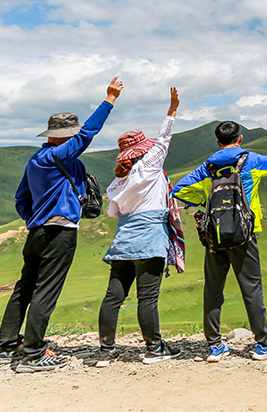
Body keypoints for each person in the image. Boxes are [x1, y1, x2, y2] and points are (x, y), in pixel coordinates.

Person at [0, 76, 124, 372]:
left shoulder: (36, 159)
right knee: (46, 289)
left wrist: (34, 219)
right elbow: (89, 133)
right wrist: (110, 99)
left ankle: (8, 345)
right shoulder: (59, 154)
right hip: (59, 231)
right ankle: (34, 352)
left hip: (37, 231)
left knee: (25, 287)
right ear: (67, 135)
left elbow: (20, 199)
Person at [172, 114, 267, 362]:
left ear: (218, 142)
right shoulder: (251, 160)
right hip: (245, 234)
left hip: (215, 235)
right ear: (239, 139)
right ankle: (264, 345)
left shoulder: (207, 166)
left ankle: (214, 346)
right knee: (252, 289)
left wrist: (205, 200)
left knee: (213, 289)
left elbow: (178, 190)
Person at [95, 87, 184, 367]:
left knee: (113, 297)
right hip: (149, 239)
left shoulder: (116, 184)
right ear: (141, 152)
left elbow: (112, 212)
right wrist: (172, 109)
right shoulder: (149, 168)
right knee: (147, 298)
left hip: (123, 242)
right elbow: (164, 140)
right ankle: (154, 348)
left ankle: (106, 351)